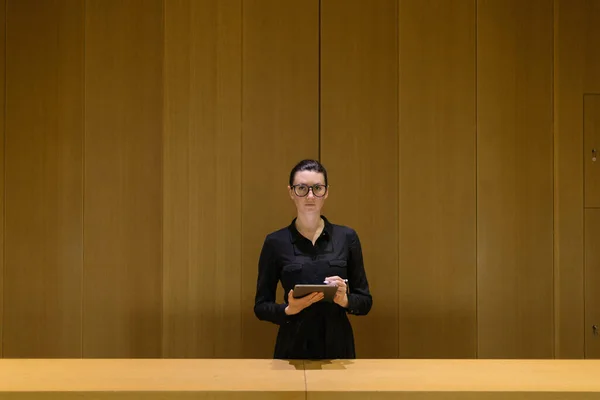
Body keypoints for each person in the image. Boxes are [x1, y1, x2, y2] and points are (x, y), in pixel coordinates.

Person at [253, 159, 373, 359]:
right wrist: (288, 310)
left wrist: (344, 300)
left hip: (338, 347)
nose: (310, 196)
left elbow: (365, 301)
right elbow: (261, 306)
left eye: (317, 188)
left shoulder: (347, 238)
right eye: (302, 188)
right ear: (291, 192)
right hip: (292, 347)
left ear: (326, 192)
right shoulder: (275, 242)